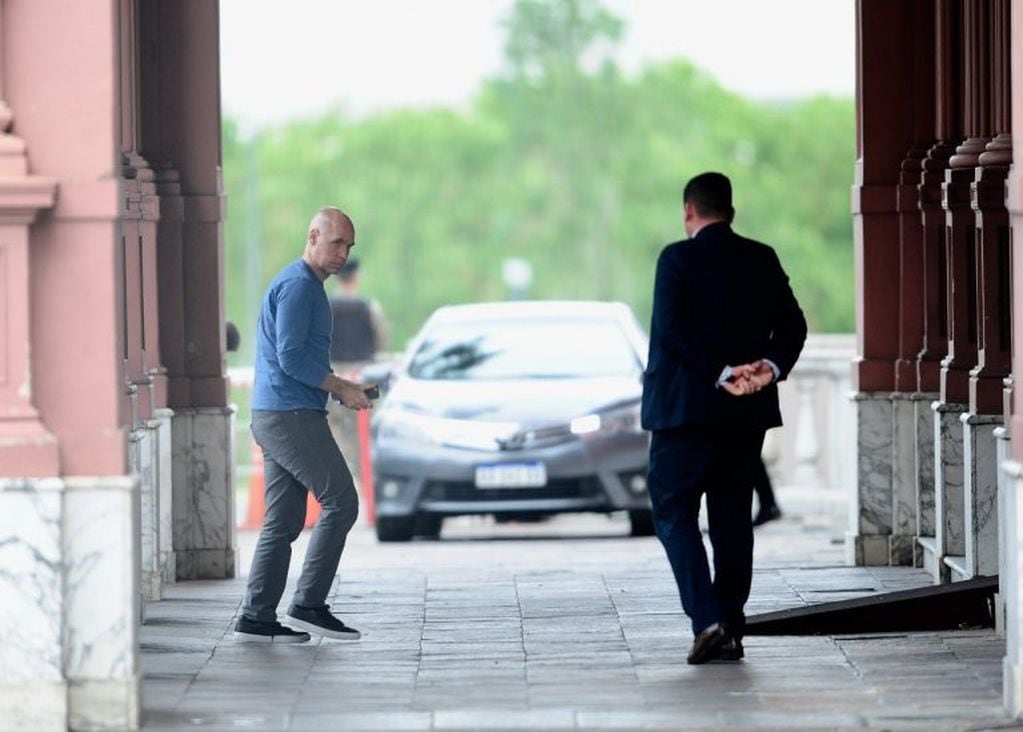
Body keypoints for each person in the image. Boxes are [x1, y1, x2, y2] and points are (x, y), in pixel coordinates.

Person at [641, 172, 806, 664]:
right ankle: (729, 625)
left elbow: (671, 330)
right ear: (730, 211)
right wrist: (767, 368)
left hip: (683, 415)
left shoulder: (676, 258)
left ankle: (708, 621)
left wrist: (720, 371)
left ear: (689, 211)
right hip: (743, 414)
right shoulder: (762, 257)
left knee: (675, 515)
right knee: (733, 521)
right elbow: (793, 325)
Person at [235, 206, 373, 644]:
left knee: (284, 519)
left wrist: (341, 387)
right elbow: (291, 358)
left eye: (348, 247)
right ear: (313, 236)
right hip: (290, 415)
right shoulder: (299, 287)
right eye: (336, 243)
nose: (342, 254)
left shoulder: (305, 285)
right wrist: (341, 388)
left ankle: (257, 616)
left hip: (275, 412)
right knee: (342, 502)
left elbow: (298, 355)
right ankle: (309, 604)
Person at [327, 258, 389, 489]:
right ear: (356, 277)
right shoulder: (369, 307)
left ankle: (340, 484)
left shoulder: (325, 307)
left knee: (334, 432)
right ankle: (368, 487)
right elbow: (382, 338)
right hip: (364, 378)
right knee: (364, 435)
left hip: (333, 379)